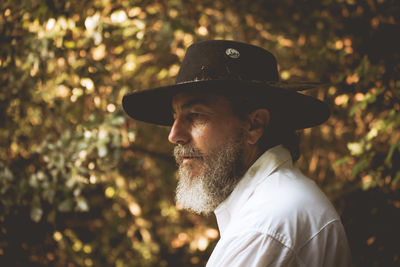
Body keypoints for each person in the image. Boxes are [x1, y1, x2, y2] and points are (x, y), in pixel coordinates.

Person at [122, 40, 352, 266]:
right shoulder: (273, 202)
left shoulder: (267, 224)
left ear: (253, 125)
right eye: (175, 117)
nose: (174, 135)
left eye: (195, 115)